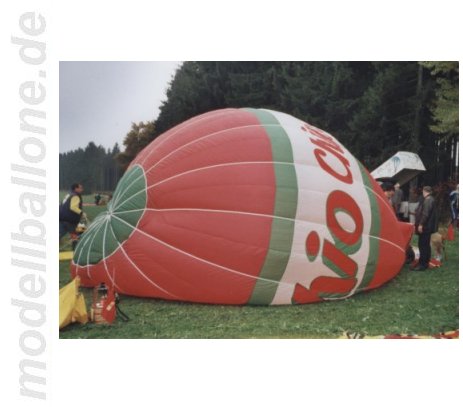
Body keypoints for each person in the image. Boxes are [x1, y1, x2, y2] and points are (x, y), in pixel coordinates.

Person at [412, 186, 438, 271]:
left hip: (425, 227)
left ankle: (422, 264)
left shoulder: (428, 200)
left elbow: (425, 214)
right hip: (427, 226)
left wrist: (421, 224)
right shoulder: (430, 199)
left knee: (422, 245)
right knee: (425, 244)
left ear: (424, 191)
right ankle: (425, 262)